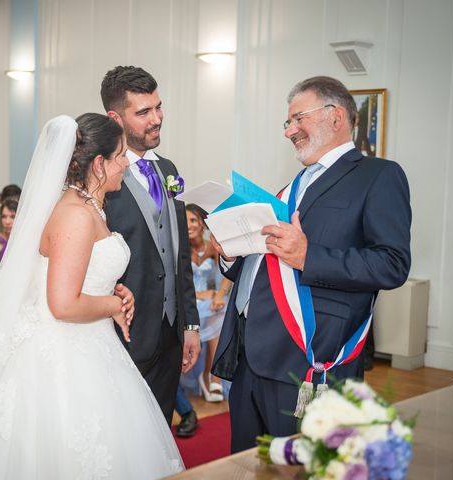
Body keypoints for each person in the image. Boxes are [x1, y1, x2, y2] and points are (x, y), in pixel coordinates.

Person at [0, 114, 183, 479]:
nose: (125, 164)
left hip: (91, 343)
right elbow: (63, 304)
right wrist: (113, 304)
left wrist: (110, 290)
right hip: (64, 354)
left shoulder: (89, 207)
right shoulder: (76, 215)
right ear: (98, 164)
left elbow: (80, 275)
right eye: (119, 156)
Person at [211, 76, 412, 452]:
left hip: (310, 356)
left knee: (302, 466)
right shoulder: (294, 185)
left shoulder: (378, 176)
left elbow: (392, 264)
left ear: (335, 116)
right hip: (249, 353)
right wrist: (230, 253)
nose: (289, 131)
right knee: (246, 463)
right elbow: (268, 262)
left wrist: (310, 256)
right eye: (287, 123)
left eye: (297, 118)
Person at [101, 65, 200, 425]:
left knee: (159, 436)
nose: (156, 119)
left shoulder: (169, 169)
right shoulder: (99, 177)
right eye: (143, 112)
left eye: (158, 107)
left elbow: (180, 255)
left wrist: (190, 325)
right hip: (122, 333)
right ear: (116, 118)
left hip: (171, 334)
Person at [186, 204, 231, 402]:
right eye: (185, 221)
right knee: (210, 311)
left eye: (193, 220)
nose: (189, 225)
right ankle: (207, 376)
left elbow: (229, 270)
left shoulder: (213, 246)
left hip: (210, 300)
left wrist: (219, 294)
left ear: (203, 224)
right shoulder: (180, 249)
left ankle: (213, 376)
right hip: (189, 299)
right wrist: (201, 294)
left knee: (220, 310)